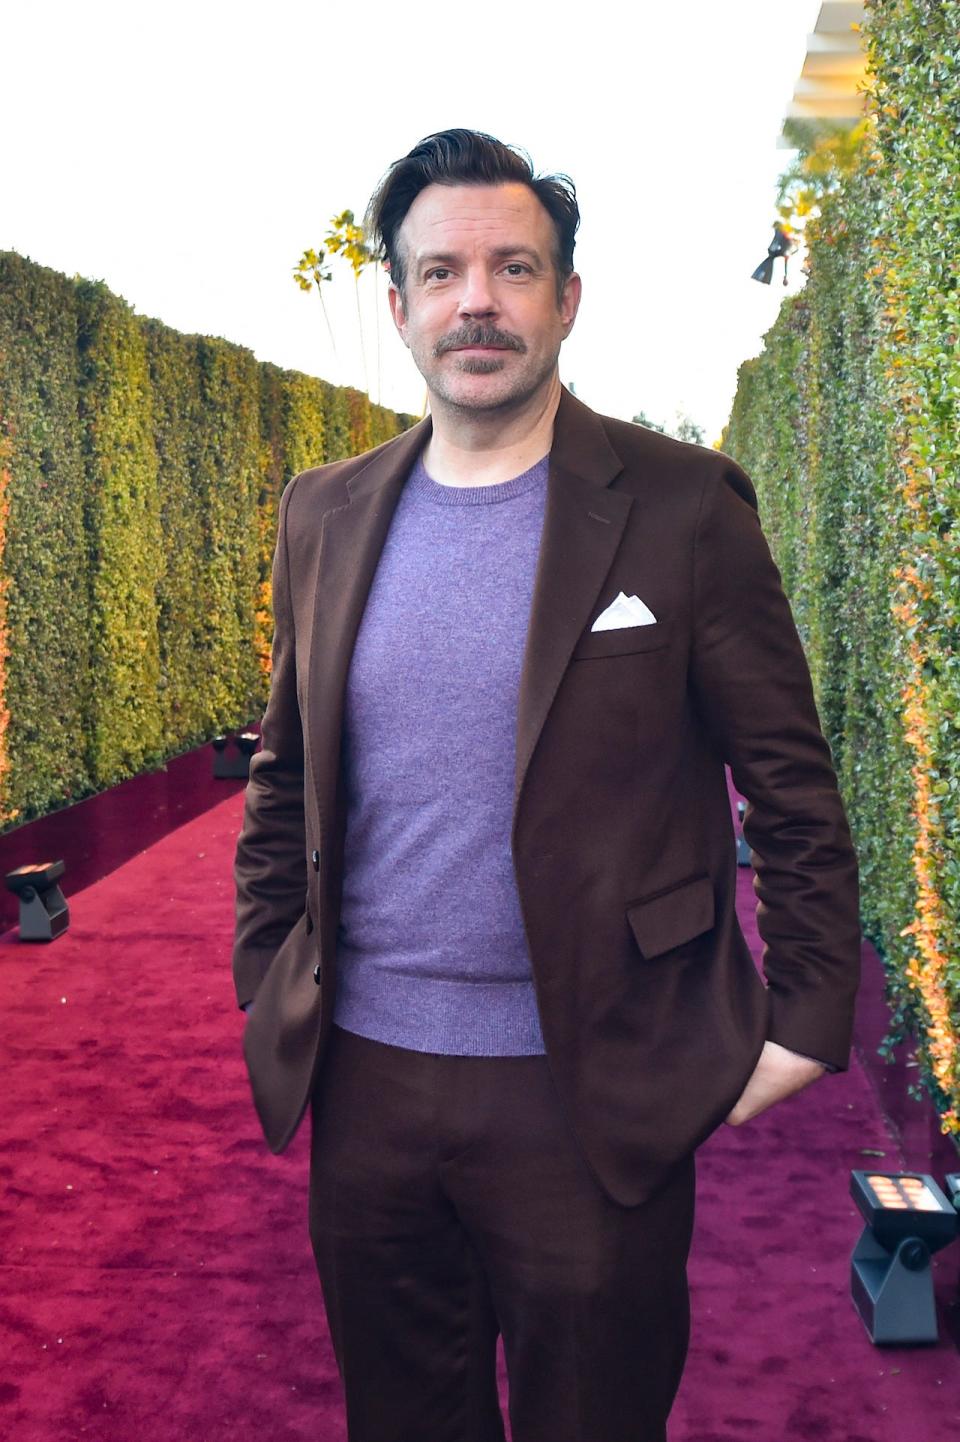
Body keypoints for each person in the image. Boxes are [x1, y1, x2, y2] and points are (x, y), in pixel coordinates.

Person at [231, 128, 860, 1442]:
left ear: (566, 297)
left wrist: (804, 1019)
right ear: (398, 306)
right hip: (369, 1090)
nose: (479, 300)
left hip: (594, 1090)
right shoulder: (323, 513)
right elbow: (283, 777)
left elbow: (789, 784)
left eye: (514, 267)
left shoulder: (685, 508)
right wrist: (266, 979)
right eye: (444, 270)